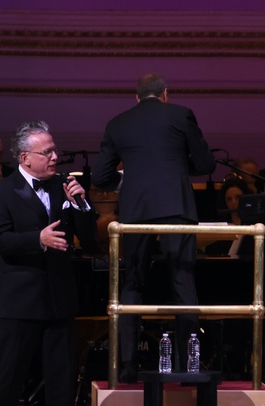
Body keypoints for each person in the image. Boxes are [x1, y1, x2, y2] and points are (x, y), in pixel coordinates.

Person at [91, 73, 216, 383]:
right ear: (164, 94)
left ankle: (128, 366)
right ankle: (187, 363)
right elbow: (205, 164)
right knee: (182, 281)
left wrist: (129, 181)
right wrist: (173, 165)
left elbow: (100, 176)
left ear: (136, 97)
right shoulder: (180, 114)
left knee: (132, 284)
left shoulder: (118, 123)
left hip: (136, 210)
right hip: (176, 205)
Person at [0, 121, 96, 406]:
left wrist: (80, 205)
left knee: (62, 378)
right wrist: (38, 239)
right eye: (46, 151)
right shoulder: (1, 193)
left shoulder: (66, 186)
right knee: (9, 378)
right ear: (24, 157)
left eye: (54, 149)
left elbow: (90, 240)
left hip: (58, 299)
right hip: (18, 302)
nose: (55, 157)